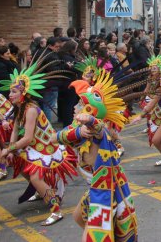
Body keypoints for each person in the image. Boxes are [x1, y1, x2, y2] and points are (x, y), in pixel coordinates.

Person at [57, 71, 138, 241]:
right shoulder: (79, 132)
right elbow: (56, 137)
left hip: (107, 194)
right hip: (94, 190)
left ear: (88, 109)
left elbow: (100, 129)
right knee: (78, 216)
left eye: (79, 103)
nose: (74, 107)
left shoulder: (97, 132)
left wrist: (91, 121)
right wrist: (79, 129)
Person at [0, 61, 78, 225]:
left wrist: (9, 149)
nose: (10, 94)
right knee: (20, 166)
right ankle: (42, 191)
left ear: (24, 93)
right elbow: (15, 130)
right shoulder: (19, 108)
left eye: (13, 91)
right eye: (10, 91)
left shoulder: (30, 110)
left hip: (46, 148)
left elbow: (27, 137)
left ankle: (56, 210)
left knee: (35, 177)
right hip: (35, 147)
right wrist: (11, 150)